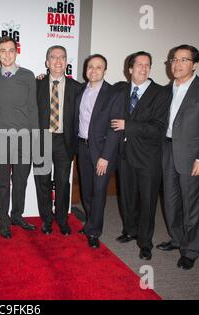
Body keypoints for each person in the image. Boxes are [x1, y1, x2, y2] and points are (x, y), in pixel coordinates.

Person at [157, 44, 199, 270]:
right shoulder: (166, 90)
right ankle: (177, 240)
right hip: (167, 151)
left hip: (193, 158)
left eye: (184, 60)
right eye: (174, 59)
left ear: (194, 65)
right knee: (171, 202)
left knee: (192, 205)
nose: (177, 64)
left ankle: (191, 250)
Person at [111, 51, 169, 260]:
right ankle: (130, 230)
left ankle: (145, 243)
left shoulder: (161, 93)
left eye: (147, 65)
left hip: (148, 158)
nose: (143, 69)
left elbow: (158, 128)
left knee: (147, 201)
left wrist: (129, 125)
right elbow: (95, 87)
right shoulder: (121, 89)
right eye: (139, 65)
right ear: (130, 69)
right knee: (127, 198)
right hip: (125, 156)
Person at [0, 36, 39, 239]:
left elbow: (33, 107)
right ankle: (3, 219)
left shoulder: (28, 76)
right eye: (3, 50)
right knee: (2, 182)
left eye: (11, 50)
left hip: (24, 139)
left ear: (16, 52)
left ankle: (17, 215)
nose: (7, 54)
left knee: (20, 181)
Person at [76, 54, 124, 248]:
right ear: (85, 69)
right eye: (90, 67)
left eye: (98, 67)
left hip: (102, 151)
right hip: (82, 147)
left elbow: (115, 129)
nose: (93, 70)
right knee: (86, 191)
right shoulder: (81, 91)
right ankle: (89, 222)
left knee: (98, 191)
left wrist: (105, 156)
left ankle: (94, 231)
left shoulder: (113, 93)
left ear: (105, 70)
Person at [34, 45, 80, 236]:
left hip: (64, 141)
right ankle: (46, 220)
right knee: (42, 182)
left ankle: (62, 219)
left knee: (63, 183)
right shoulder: (36, 84)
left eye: (62, 57)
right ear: (47, 62)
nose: (58, 61)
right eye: (53, 57)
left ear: (66, 62)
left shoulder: (77, 88)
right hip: (41, 140)